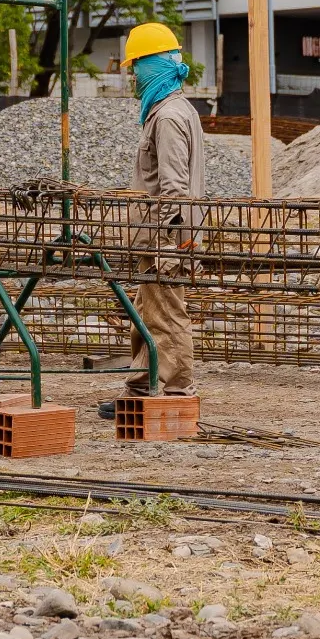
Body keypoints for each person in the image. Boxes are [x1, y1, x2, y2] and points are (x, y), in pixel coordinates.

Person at [121, 22, 202, 399]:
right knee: (148, 314)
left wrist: (163, 244)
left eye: (137, 65)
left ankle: (173, 391)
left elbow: (173, 187)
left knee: (166, 316)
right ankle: (142, 385)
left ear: (154, 66)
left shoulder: (169, 117)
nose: (133, 75)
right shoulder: (173, 111)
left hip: (165, 239)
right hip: (163, 237)